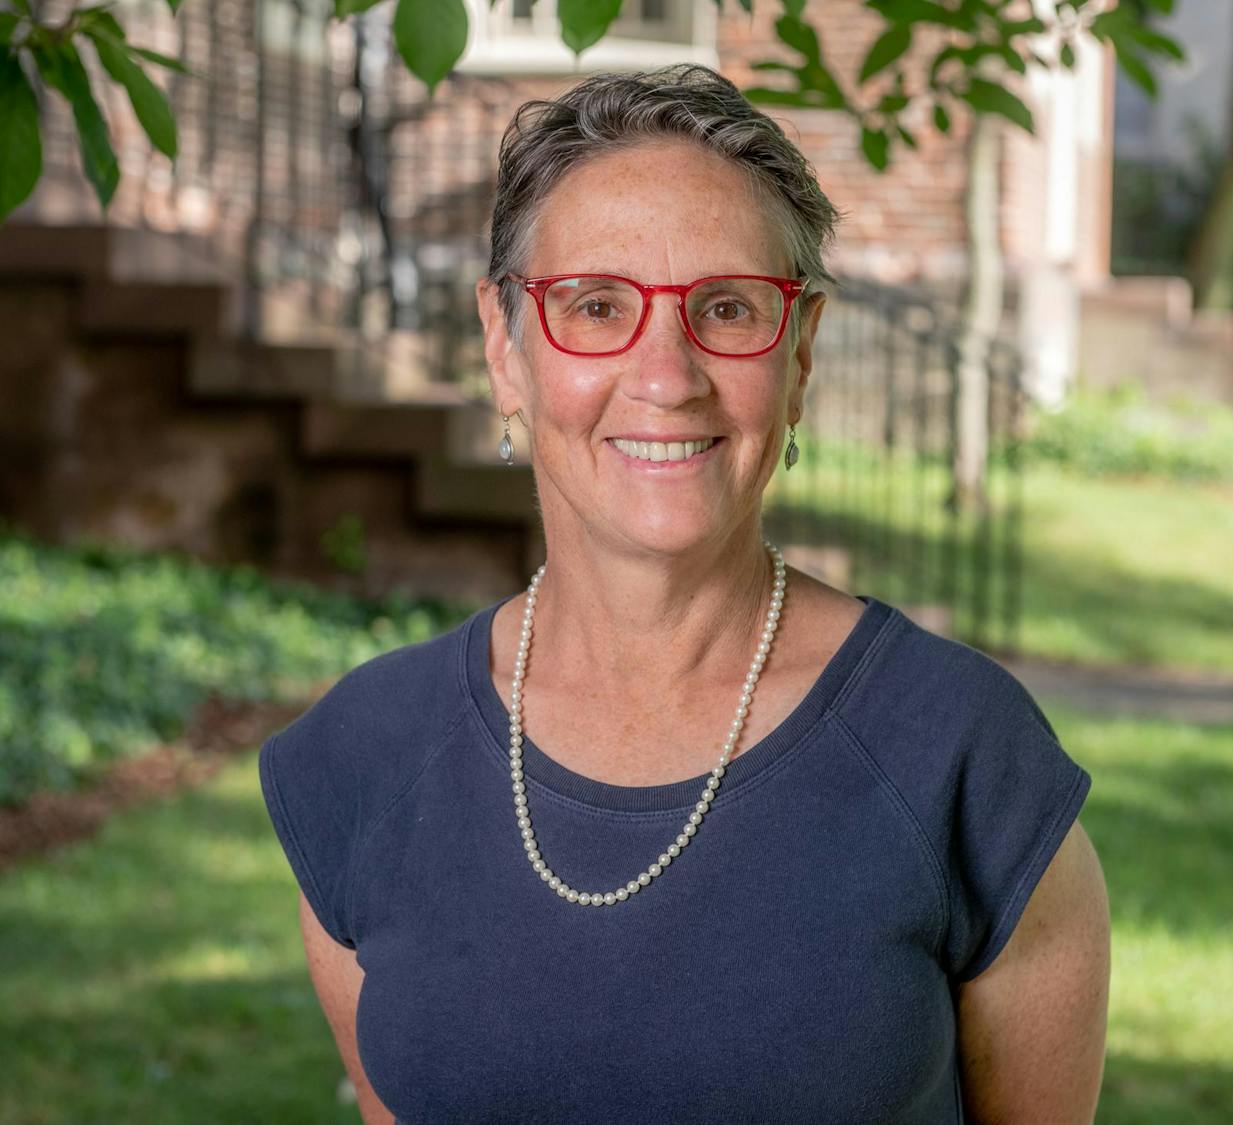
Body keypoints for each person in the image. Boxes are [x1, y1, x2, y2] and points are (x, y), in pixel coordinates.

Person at [259, 64, 1110, 1124]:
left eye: (728, 308)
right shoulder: (362, 762)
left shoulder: (964, 762)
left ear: (800, 352)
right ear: (503, 347)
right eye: (597, 305)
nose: (667, 375)